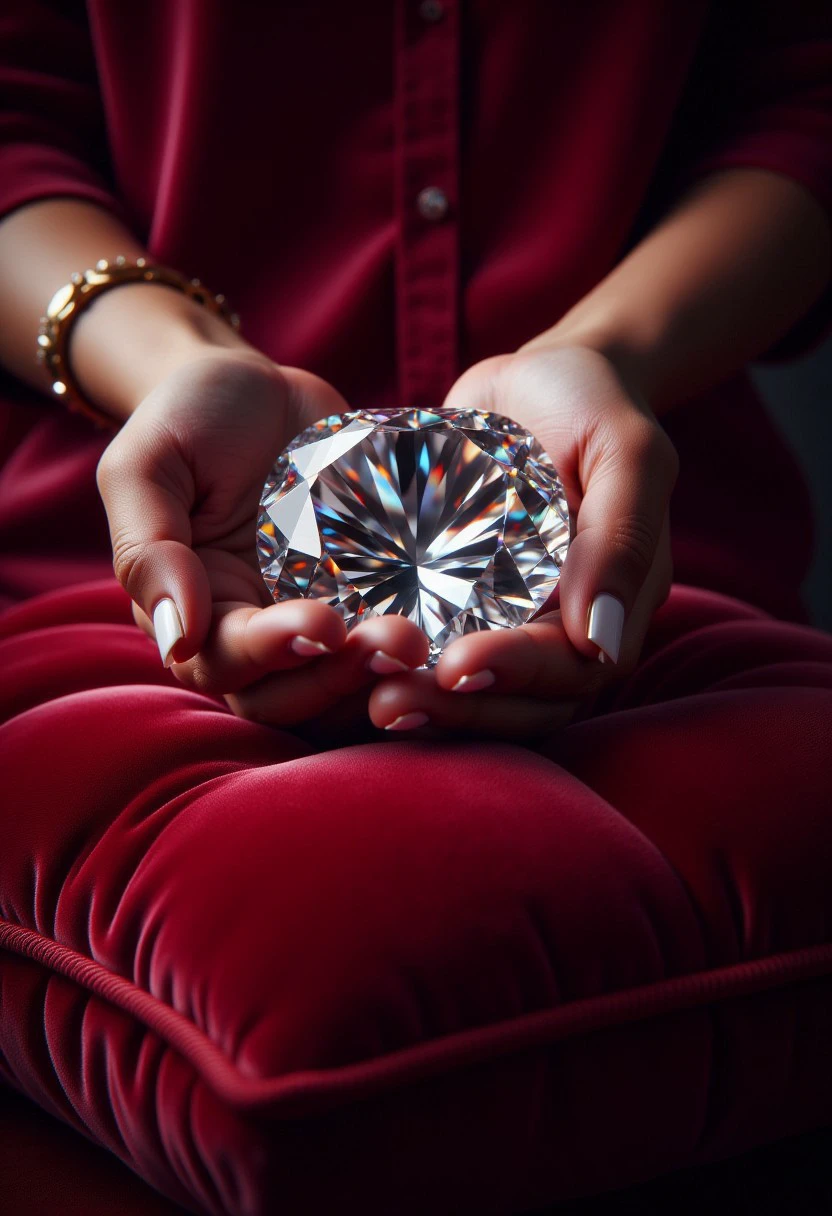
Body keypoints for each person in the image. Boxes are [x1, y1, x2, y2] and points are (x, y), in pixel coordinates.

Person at [1, 3, 832, 1211]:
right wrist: (174, 368)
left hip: (647, 560)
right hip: (132, 569)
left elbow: (803, 100)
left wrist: (610, 357)